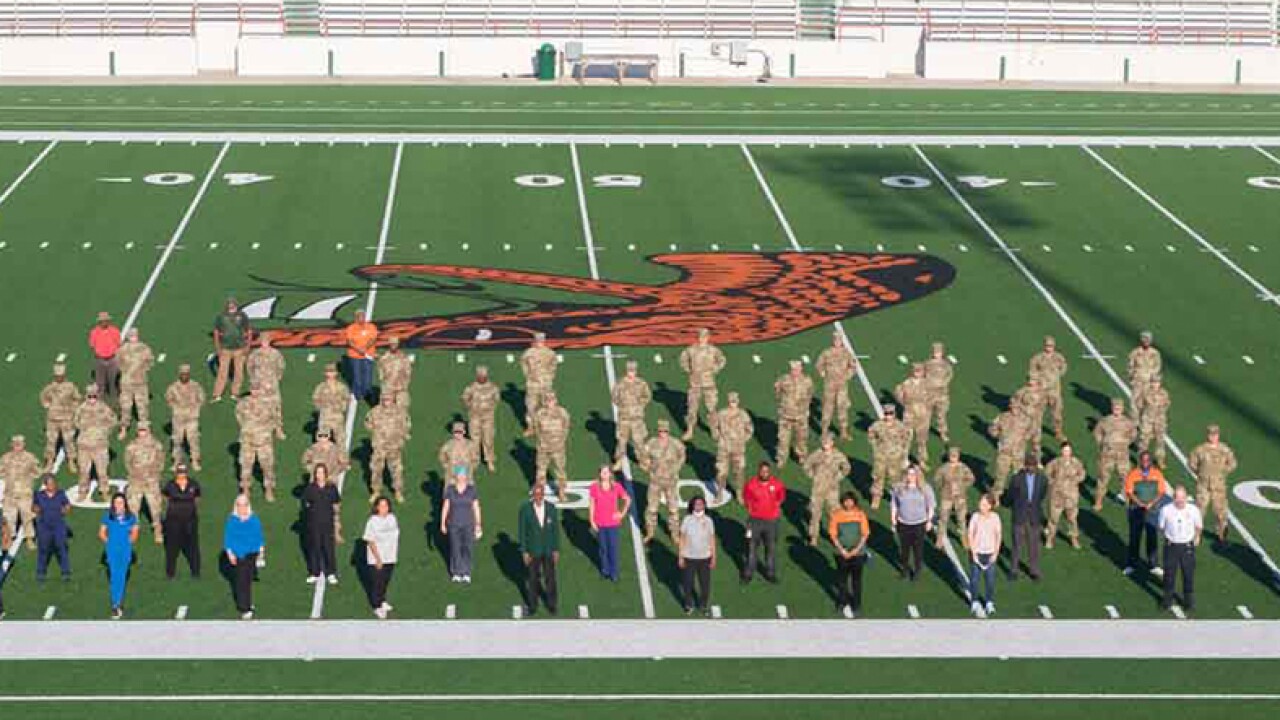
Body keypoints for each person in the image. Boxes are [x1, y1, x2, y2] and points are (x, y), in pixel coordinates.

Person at [1188, 424, 1237, 545]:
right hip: (1203, 486)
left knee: (1220, 511)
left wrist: (1222, 472)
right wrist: (1200, 473)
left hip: (1219, 486)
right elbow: (1192, 463)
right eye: (1211, 434)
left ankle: (1221, 535)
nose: (1213, 437)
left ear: (1218, 435)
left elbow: (1233, 463)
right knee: (1199, 511)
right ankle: (1196, 535)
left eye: (1215, 434)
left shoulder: (1224, 449)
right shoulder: (1200, 449)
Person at [518, 483, 560, 617]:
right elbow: (522, 532)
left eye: (540, 494)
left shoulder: (551, 508)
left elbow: (555, 531)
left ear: (543, 494)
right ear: (532, 495)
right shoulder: (525, 510)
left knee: (550, 578)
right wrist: (524, 551)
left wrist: (556, 549)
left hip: (548, 549)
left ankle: (552, 604)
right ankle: (532, 606)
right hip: (532, 550)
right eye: (536, 494)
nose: (538, 497)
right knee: (532, 579)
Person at [1158, 486, 1202, 613]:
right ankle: (1167, 601)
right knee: (1169, 575)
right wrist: (1169, 537)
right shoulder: (1166, 510)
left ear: (1186, 497)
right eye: (1177, 497)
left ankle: (1188, 601)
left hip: (1187, 546)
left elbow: (1198, 526)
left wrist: (1196, 537)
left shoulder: (1193, 510)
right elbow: (1161, 527)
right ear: (1173, 498)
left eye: (1182, 497)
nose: (1180, 500)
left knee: (1188, 574)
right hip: (1171, 546)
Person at [641, 419, 686, 543]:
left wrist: (676, 468)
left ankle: (675, 533)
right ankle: (650, 532)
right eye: (660, 431)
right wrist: (647, 466)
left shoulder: (676, 444)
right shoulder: (652, 443)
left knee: (673, 509)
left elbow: (682, 455)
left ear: (668, 431)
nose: (662, 433)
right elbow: (643, 455)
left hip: (670, 482)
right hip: (655, 481)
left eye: (665, 431)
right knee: (651, 508)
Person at [1122, 451, 1166, 577]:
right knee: (1134, 537)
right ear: (1140, 461)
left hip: (1152, 511)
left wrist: (1151, 503)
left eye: (1148, 460)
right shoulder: (1133, 474)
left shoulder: (1157, 474)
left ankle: (1153, 564)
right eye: (1143, 460)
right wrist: (1140, 503)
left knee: (1152, 537)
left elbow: (1161, 492)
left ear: (1151, 462)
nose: (1145, 463)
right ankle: (1131, 564)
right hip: (1136, 510)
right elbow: (1129, 492)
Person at [678, 328, 726, 440]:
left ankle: (714, 430)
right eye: (700, 336)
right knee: (692, 409)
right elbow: (683, 360)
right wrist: (689, 370)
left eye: (704, 336)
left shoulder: (713, 350)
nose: (702, 338)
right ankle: (690, 430)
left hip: (709, 383)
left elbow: (722, 360)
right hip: (695, 383)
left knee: (711, 408)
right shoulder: (691, 350)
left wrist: (715, 369)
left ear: (708, 337)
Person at [741, 462, 785, 584]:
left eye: (766, 471)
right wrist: (753, 510)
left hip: (771, 522)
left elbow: (781, 498)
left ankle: (770, 573)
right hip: (754, 521)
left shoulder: (777, 484)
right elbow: (746, 499)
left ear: (769, 472)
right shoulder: (751, 484)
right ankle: (748, 573)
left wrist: (773, 509)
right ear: (758, 471)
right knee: (751, 548)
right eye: (762, 471)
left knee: (770, 548)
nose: (764, 473)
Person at [803, 434, 850, 547]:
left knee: (834, 514)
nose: (825, 444)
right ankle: (813, 537)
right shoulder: (816, 454)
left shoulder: (838, 455)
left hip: (832, 490)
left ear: (832, 443)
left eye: (828, 442)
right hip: (818, 489)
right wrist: (813, 476)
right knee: (815, 514)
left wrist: (838, 477)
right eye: (824, 442)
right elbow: (807, 466)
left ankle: (835, 536)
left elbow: (846, 467)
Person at [236, 385, 282, 502]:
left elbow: (274, 419)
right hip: (247, 440)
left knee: (267, 466)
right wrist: (248, 428)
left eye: (257, 389)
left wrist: (265, 430)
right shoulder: (243, 403)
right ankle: (246, 490)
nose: (255, 391)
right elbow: (239, 417)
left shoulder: (268, 403)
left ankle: (269, 489)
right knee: (246, 466)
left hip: (264, 441)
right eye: (253, 389)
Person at [73, 384, 117, 502]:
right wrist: (84, 429)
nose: (92, 398)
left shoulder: (103, 408)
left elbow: (113, 420)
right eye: (89, 396)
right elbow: (75, 421)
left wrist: (104, 431)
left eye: (94, 396)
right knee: (83, 471)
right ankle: (83, 491)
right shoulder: (81, 408)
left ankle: (104, 491)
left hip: (99, 446)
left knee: (102, 471)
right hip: (84, 446)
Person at [223, 494, 264, 620]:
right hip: (239, 555)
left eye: (244, 505)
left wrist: (261, 554)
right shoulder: (232, 520)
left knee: (247, 580)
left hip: (251, 554)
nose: (242, 508)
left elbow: (259, 537)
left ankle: (247, 602)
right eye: (240, 505)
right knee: (241, 582)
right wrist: (230, 553)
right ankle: (244, 607)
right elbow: (228, 539)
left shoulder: (254, 520)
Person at [891, 464, 936, 581]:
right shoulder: (899, 487)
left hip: (919, 523)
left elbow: (930, 505)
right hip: (903, 523)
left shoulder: (925, 488)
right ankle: (904, 570)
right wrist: (893, 519)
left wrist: (929, 521)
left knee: (918, 549)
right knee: (904, 549)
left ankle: (917, 571)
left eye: (913, 473)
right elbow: (894, 504)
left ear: (918, 475)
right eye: (908, 473)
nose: (911, 476)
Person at [828, 491, 870, 616]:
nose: (848, 503)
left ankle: (857, 604)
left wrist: (856, 550)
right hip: (842, 554)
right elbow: (833, 535)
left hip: (858, 554)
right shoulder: (837, 515)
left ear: (854, 501)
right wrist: (842, 550)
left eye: (850, 500)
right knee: (842, 580)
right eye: (846, 501)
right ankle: (842, 602)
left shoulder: (860, 515)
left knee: (856, 581)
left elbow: (865, 534)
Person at [98, 493, 139, 619]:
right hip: (112, 549)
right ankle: (116, 603)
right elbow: (101, 533)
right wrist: (110, 543)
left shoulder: (131, 517)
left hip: (125, 549)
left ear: (125, 504)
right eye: (116, 502)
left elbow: (135, 533)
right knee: (116, 576)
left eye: (121, 502)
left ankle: (117, 602)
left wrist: (127, 543)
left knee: (120, 575)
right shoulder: (108, 517)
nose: (118, 505)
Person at [123, 422, 165, 544]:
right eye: (140, 430)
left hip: (151, 482)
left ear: (149, 431)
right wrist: (134, 475)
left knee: (155, 508)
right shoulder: (131, 446)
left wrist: (154, 475)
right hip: (136, 481)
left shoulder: (156, 445)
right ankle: (133, 530)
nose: (142, 433)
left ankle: (158, 531)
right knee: (133, 507)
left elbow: (161, 461)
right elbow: (127, 462)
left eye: (144, 430)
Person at [1092, 398, 1137, 510]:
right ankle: (1098, 501)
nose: (1117, 410)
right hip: (1107, 455)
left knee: (1125, 478)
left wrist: (1126, 443)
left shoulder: (1127, 422)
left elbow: (1133, 434)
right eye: (1115, 407)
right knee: (1103, 478)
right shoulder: (1105, 421)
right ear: (1112, 408)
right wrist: (1103, 443)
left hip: (1122, 455)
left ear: (1122, 409)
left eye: (1119, 408)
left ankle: (1126, 500)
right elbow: (1097, 432)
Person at [588, 466, 631, 582]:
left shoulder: (616, 487)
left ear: (610, 474)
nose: (604, 474)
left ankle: (614, 572)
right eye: (602, 472)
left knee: (613, 548)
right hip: (600, 522)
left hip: (612, 523)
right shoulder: (594, 487)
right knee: (603, 548)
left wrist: (621, 514)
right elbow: (592, 504)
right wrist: (591, 520)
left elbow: (627, 499)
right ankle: (605, 570)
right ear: (600, 474)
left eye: (606, 472)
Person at [1008, 453, 1047, 581]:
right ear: (1025, 466)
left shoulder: (1042, 479)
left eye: (1033, 466)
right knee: (1017, 545)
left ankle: (1034, 570)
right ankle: (1013, 570)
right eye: (1029, 466)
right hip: (1019, 516)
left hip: (1034, 517)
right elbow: (1011, 495)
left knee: (1034, 546)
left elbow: (1041, 495)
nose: (1031, 468)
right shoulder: (1016, 479)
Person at [366, 392, 410, 502]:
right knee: (376, 469)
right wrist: (377, 434)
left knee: (396, 470)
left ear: (393, 400)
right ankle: (376, 491)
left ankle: (398, 491)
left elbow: (406, 425)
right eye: (384, 399)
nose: (386, 402)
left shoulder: (400, 412)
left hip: (394, 447)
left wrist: (401, 437)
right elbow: (367, 423)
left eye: (389, 399)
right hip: (379, 447)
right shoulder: (375, 412)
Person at [302, 463, 341, 585]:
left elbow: (336, 503)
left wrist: (336, 520)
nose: (319, 475)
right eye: (317, 473)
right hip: (314, 524)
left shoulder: (331, 488)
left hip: (327, 523)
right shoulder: (310, 488)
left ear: (325, 474)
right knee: (315, 548)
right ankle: (315, 572)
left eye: (321, 472)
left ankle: (331, 572)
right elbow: (305, 503)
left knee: (328, 548)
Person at [710, 391, 754, 500]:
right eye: (730, 401)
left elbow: (749, 429)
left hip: (738, 448)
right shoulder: (722, 414)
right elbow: (714, 426)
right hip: (723, 448)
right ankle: (719, 493)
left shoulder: (743, 415)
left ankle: (739, 494)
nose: (732, 404)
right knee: (721, 473)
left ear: (738, 402)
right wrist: (718, 438)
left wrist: (742, 440)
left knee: (739, 472)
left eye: (734, 401)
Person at [677, 495, 716, 616]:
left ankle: (703, 605)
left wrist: (714, 557)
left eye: (701, 503)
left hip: (705, 557)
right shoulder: (687, 519)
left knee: (705, 585)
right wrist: (681, 556)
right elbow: (682, 538)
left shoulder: (709, 520)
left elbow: (712, 539)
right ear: (692, 506)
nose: (699, 506)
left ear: (704, 505)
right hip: (689, 557)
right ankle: (688, 604)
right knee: (687, 583)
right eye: (696, 504)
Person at [440, 469, 481, 583]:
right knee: (455, 547)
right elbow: (446, 506)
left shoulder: (471, 490)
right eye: (460, 475)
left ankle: (466, 572)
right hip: (454, 524)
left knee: (468, 547)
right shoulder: (450, 489)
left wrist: (478, 523)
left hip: (469, 524)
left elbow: (476, 507)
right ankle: (456, 572)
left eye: (463, 475)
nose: (462, 477)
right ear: (456, 477)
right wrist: (442, 523)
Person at [1044, 442, 1087, 550]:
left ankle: (1074, 539)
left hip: (1071, 497)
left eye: (1068, 450)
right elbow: (1047, 473)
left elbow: (1082, 474)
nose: (1066, 453)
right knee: (1053, 519)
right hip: (1057, 496)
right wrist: (1053, 482)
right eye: (1064, 450)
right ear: (1061, 451)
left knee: (1072, 519)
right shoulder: (1055, 463)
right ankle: (1049, 539)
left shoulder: (1076, 463)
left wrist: (1075, 480)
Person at [0, 435, 41, 551]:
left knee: (27, 516)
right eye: (15, 444)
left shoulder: (30, 458)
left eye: (20, 444)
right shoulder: (5, 458)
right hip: (10, 494)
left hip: (25, 494)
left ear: (24, 445)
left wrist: (28, 483)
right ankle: (10, 537)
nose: (17, 447)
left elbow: (37, 472)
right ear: (11, 445)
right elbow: (1, 472)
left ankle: (29, 538)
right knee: (9, 517)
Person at [161, 463, 202, 579]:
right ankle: (170, 572)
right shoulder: (170, 485)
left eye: (183, 472)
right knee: (172, 548)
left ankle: (196, 571)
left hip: (190, 520)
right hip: (173, 521)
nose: (181, 474)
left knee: (193, 546)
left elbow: (197, 497)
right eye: (179, 472)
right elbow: (165, 497)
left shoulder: (193, 484)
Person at [39, 363, 81, 474]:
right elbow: (43, 398)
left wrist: (72, 410)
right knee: (51, 441)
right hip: (52, 419)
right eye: (57, 375)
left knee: (69, 441)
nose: (59, 377)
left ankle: (71, 461)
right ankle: (49, 462)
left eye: (61, 375)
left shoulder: (70, 387)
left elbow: (77, 399)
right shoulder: (50, 387)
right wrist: (49, 406)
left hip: (67, 419)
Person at [816, 329, 857, 441]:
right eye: (835, 339)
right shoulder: (827, 352)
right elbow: (819, 364)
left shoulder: (846, 353)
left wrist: (847, 375)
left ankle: (843, 432)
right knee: (827, 408)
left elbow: (853, 366)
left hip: (842, 385)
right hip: (829, 384)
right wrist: (822, 372)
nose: (837, 342)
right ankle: (824, 432)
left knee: (842, 408)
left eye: (839, 340)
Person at [610, 361, 652, 472]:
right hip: (624, 418)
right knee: (621, 441)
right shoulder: (620, 384)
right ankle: (619, 461)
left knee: (639, 441)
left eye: (633, 371)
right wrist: (624, 407)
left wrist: (639, 406)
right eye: (629, 371)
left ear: (636, 371)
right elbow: (614, 398)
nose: (631, 373)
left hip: (637, 418)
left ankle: (643, 460)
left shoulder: (641, 383)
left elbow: (647, 396)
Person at [164, 364, 206, 471]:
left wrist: (195, 409)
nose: (184, 376)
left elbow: (202, 399)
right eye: (182, 374)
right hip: (178, 418)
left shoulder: (196, 386)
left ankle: (195, 460)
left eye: (186, 374)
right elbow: (168, 399)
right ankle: (176, 461)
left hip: (192, 418)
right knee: (177, 440)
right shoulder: (173, 387)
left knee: (193, 440)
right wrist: (176, 409)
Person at [363, 496, 400, 619]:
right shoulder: (372, 521)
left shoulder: (392, 518)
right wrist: (378, 558)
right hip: (377, 558)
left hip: (390, 556)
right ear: (377, 507)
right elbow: (370, 540)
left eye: (386, 506)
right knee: (377, 583)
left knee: (385, 581)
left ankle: (382, 600)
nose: (384, 508)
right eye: (381, 506)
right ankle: (377, 606)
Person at [867, 405, 910, 509]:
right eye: (886, 414)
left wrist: (903, 453)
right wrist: (876, 448)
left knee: (895, 479)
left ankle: (897, 499)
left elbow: (906, 439)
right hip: (881, 458)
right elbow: (871, 435)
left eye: (891, 414)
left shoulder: (900, 426)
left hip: (895, 458)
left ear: (894, 414)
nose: (889, 416)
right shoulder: (877, 425)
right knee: (878, 478)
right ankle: (876, 498)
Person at [115, 327, 155, 439]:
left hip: (140, 382)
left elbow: (150, 362)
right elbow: (118, 363)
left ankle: (145, 428)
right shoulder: (122, 349)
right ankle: (123, 428)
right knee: (125, 406)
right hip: (126, 383)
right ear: (128, 337)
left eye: (135, 336)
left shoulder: (144, 348)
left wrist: (141, 371)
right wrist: (127, 372)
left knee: (142, 406)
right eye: (131, 336)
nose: (133, 338)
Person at [773, 359, 814, 468]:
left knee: (801, 438)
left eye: (797, 369)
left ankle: (802, 457)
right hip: (786, 416)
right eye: (793, 369)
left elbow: (810, 395)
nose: (794, 371)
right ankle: (781, 459)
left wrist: (804, 408)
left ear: (801, 369)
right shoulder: (783, 380)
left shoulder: (807, 381)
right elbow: (777, 392)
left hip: (801, 416)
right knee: (783, 439)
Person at [967, 493, 1002, 616]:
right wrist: (973, 552)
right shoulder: (975, 517)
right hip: (977, 553)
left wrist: (995, 554)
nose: (980, 506)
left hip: (990, 553)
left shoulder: (995, 518)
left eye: (984, 504)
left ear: (990, 506)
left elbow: (998, 536)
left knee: (990, 580)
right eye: (980, 503)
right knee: (975, 579)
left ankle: (989, 602)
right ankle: (974, 601)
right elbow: (970, 534)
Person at [1028, 336, 1068, 442]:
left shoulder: (1059, 357)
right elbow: (1032, 372)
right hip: (1041, 391)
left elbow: (1063, 368)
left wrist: (1054, 376)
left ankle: (1058, 432)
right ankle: (1036, 433)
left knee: (1057, 415)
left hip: (1055, 391)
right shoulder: (1037, 358)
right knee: (1038, 414)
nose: (1049, 347)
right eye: (1047, 345)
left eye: (1051, 346)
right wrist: (1039, 380)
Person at [932, 446, 975, 549]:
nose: (953, 458)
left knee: (961, 519)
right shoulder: (944, 468)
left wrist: (963, 487)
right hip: (946, 497)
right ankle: (940, 538)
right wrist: (942, 488)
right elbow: (936, 479)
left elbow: (971, 478)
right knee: (943, 518)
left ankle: (963, 537)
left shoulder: (963, 467)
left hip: (960, 498)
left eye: (955, 456)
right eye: (951, 456)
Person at [212, 298, 252, 403]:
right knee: (222, 372)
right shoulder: (221, 317)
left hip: (239, 348)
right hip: (225, 348)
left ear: (236, 305)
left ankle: (235, 393)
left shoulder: (242, 316)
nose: (231, 306)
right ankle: (217, 394)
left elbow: (248, 331)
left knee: (239, 373)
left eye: (233, 304)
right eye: (230, 304)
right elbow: (216, 332)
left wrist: (248, 345)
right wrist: (217, 347)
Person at [32, 474, 71, 582]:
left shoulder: (60, 493)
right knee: (43, 550)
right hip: (44, 526)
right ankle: (41, 572)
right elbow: (34, 507)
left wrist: (66, 509)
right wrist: (36, 509)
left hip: (59, 525)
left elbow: (67, 505)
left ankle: (65, 572)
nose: (52, 486)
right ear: (45, 485)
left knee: (62, 548)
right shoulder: (39, 495)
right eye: (50, 484)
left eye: (54, 483)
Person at [532, 392, 571, 500]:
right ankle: (540, 493)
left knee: (560, 471)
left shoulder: (562, 413)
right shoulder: (539, 414)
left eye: (552, 399)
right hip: (543, 448)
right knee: (541, 471)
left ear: (556, 400)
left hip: (558, 448)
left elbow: (566, 427)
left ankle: (562, 492)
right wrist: (541, 442)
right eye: (547, 400)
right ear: (544, 401)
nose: (550, 402)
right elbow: (536, 429)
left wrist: (561, 440)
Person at [461, 365, 500, 472]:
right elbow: (465, 399)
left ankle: (489, 460)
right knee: (475, 440)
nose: (482, 377)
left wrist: (489, 409)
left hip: (488, 417)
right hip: (475, 417)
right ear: (477, 376)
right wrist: (472, 408)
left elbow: (496, 399)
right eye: (480, 376)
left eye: (484, 376)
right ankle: (475, 460)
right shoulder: (471, 388)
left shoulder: (493, 387)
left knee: (488, 439)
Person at [988, 406, 1031, 502]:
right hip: (1004, 453)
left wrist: (1024, 439)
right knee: (1000, 476)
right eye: (1013, 405)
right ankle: (996, 498)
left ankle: (1018, 498)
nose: (1015, 407)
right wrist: (999, 435)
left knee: (1019, 478)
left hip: (1018, 455)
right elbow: (991, 429)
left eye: (1017, 405)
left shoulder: (1025, 418)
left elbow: (1031, 431)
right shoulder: (1002, 417)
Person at [520, 332, 558, 436]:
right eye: (538, 340)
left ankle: (545, 427)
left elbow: (553, 366)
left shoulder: (550, 353)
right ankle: (531, 428)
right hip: (532, 384)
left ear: (544, 341)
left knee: (547, 406)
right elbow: (524, 364)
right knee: (531, 407)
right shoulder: (528, 353)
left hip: (546, 384)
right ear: (535, 340)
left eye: (541, 340)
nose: (539, 342)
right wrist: (529, 376)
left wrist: (549, 377)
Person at [894, 363, 932, 467]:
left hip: (923, 416)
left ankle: (921, 461)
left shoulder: (927, 384)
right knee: (906, 438)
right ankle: (904, 459)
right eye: (916, 371)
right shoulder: (906, 384)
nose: (918, 373)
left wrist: (926, 407)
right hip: (909, 415)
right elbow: (898, 395)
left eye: (920, 371)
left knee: (922, 440)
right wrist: (907, 404)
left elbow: (932, 397)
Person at [311, 363, 351, 447]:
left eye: (332, 372)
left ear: (336, 373)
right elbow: (315, 399)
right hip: (325, 417)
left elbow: (346, 399)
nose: (330, 374)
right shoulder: (320, 387)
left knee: (340, 440)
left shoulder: (342, 387)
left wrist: (342, 408)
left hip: (338, 417)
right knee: (323, 440)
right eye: (328, 372)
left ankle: (342, 458)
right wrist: (322, 408)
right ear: (325, 373)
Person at [344, 309, 378, 404]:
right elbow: (350, 341)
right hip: (354, 356)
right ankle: (358, 394)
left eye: (362, 316)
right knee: (357, 377)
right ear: (356, 318)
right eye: (359, 317)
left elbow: (373, 339)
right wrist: (358, 349)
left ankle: (367, 393)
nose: (361, 319)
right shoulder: (351, 328)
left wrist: (365, 348)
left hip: (368, 355)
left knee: (367, 377)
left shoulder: (371, 327)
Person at [922, 341, 954, 444]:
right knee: (926, 414)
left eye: (939, 352)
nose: (937, 354)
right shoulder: (927, 364)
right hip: (929, 393)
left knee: (941, 415)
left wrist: (943, 383)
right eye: (935, 351)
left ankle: (943, 433)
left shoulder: (946, 365)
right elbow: (922, 376)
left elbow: (949, 375)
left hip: (942, 394)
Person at [88, 311, 121, 406]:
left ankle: (115, 406)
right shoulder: (94, 332)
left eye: (106, 321)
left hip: (112, 359)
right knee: (100, 385)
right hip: (100, 359)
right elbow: (92, 345)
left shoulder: (114, 331)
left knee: (113, 384)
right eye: (102, 321)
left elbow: (118, 344)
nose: (104, 322)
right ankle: (99, 406)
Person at [1127, 331, 1162, 421]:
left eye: (1148, 339)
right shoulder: (1135, 352)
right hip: (1137, 381)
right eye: (1144, 339)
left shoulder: (1155, 353)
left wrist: (1154, 379)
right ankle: (1134, 423)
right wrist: (1131, 378)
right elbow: (1130, 366)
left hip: (1149, 382)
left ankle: (1145, 422)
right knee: (1134, 403)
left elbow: (1157, 366)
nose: (1146, 341)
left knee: (1147, 403)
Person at [1137, 377, 1170, 468]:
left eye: (1157, 382)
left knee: (1160, 441)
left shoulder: (1164, 393)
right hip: (1147, 420)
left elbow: (1167, 404)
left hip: (1160, 421)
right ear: (1151, 383)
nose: (1155, 384)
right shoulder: (1145, 393)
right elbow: (1139, 404)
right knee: (1144, 441)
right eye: (1153, 382)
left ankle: (1160, 460)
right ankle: (1142, 462)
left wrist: (1160, 412)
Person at [377, 336, 413, 406]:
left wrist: (405, 383)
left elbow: (408, 372)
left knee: (402, 407)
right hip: (388, 387)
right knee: (386, 407)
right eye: (392, 344)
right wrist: (385, 385)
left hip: (401, 387)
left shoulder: (404, 357)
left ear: (398, 345)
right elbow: (381, 373)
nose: (393, 346)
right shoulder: (384, 358)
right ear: (389, 345)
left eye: (395, 344)